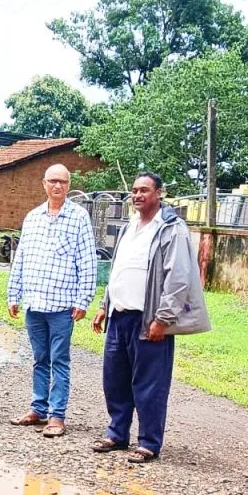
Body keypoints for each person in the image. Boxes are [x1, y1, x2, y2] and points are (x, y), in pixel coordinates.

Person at [92, 171, 210, 463]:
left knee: (149, 384)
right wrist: (105, 305)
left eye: (144, 190)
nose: (137, 195)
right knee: (115, 380)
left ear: (159, 193)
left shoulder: (171, 229)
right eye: (134, 190)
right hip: (119, 317)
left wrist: (163, 319)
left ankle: (148, 442)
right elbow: (118, 269)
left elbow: (179, 278)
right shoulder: (128, 227)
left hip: (149, 320)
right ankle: (117, 434)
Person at [7, 163, 97, 437]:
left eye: (63, 182)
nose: (58, 186)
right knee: (39, 358)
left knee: (59, 359)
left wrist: (83, 300)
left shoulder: (79, 217)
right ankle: (38, 408)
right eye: (53, 181)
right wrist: (14, 293)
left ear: (69, 186)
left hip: (62, 305)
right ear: (43, 183)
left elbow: (88, 261)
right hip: (34, 304)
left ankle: (57, 416)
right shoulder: (32, 217)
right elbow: (20, 257)